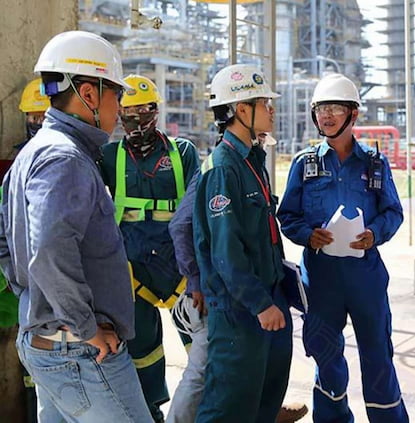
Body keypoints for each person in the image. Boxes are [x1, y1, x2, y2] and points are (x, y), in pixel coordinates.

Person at [0, 30, 151, 422]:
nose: (120, 108)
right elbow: (49, 248)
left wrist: (30, 293)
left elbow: (5, 237)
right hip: (81, 352)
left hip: (54, 343)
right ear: (89, 93)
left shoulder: (35, 151)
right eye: (116, 94)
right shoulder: (64, 158)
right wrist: (85, 327)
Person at [277, 73, 408, 423]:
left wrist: (374, 233)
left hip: (365, 276)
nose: (326, 115)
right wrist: (308, 234)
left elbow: (393, 212)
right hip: (321, 279)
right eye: (321, 109)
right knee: (326, 354)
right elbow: (287, 215)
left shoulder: (375, 164)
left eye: (335, 108)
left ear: (353, 114)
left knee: (377, 355)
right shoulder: (304, 164)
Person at [167, 144, 308, 423]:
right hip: (223, 294)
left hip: (250, 290)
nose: (269, 124)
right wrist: (196, 281)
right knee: (204, 371)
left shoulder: (251, 163)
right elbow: (182, 225)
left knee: (248, 375)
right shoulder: (221, 168)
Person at [193, 63, 292, 423]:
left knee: (264, 399)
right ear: (240, 110)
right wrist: (260, 304)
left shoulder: (252, 159)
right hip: (240, 311)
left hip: (267, 299)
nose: (271, 109)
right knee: (229, 406)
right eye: (264, 103)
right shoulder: (223, 168)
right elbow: (225, 251)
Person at [96, 74, 199, 422]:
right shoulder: (109, 156)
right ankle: (150, 411)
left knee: (202, 345)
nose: (137, 118)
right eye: (129, 111)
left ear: (156, 111)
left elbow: (198, 210)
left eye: (144, 110)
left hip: (180, 265)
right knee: (142, 349)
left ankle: (210, 408)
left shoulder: (182, 152)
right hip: (133, 269)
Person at [0, 77, 52, 423]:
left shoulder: (71, 156)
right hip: (22, 275)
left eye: (42, 115)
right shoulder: (14, 162)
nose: (36, 122)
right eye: (32, 116)